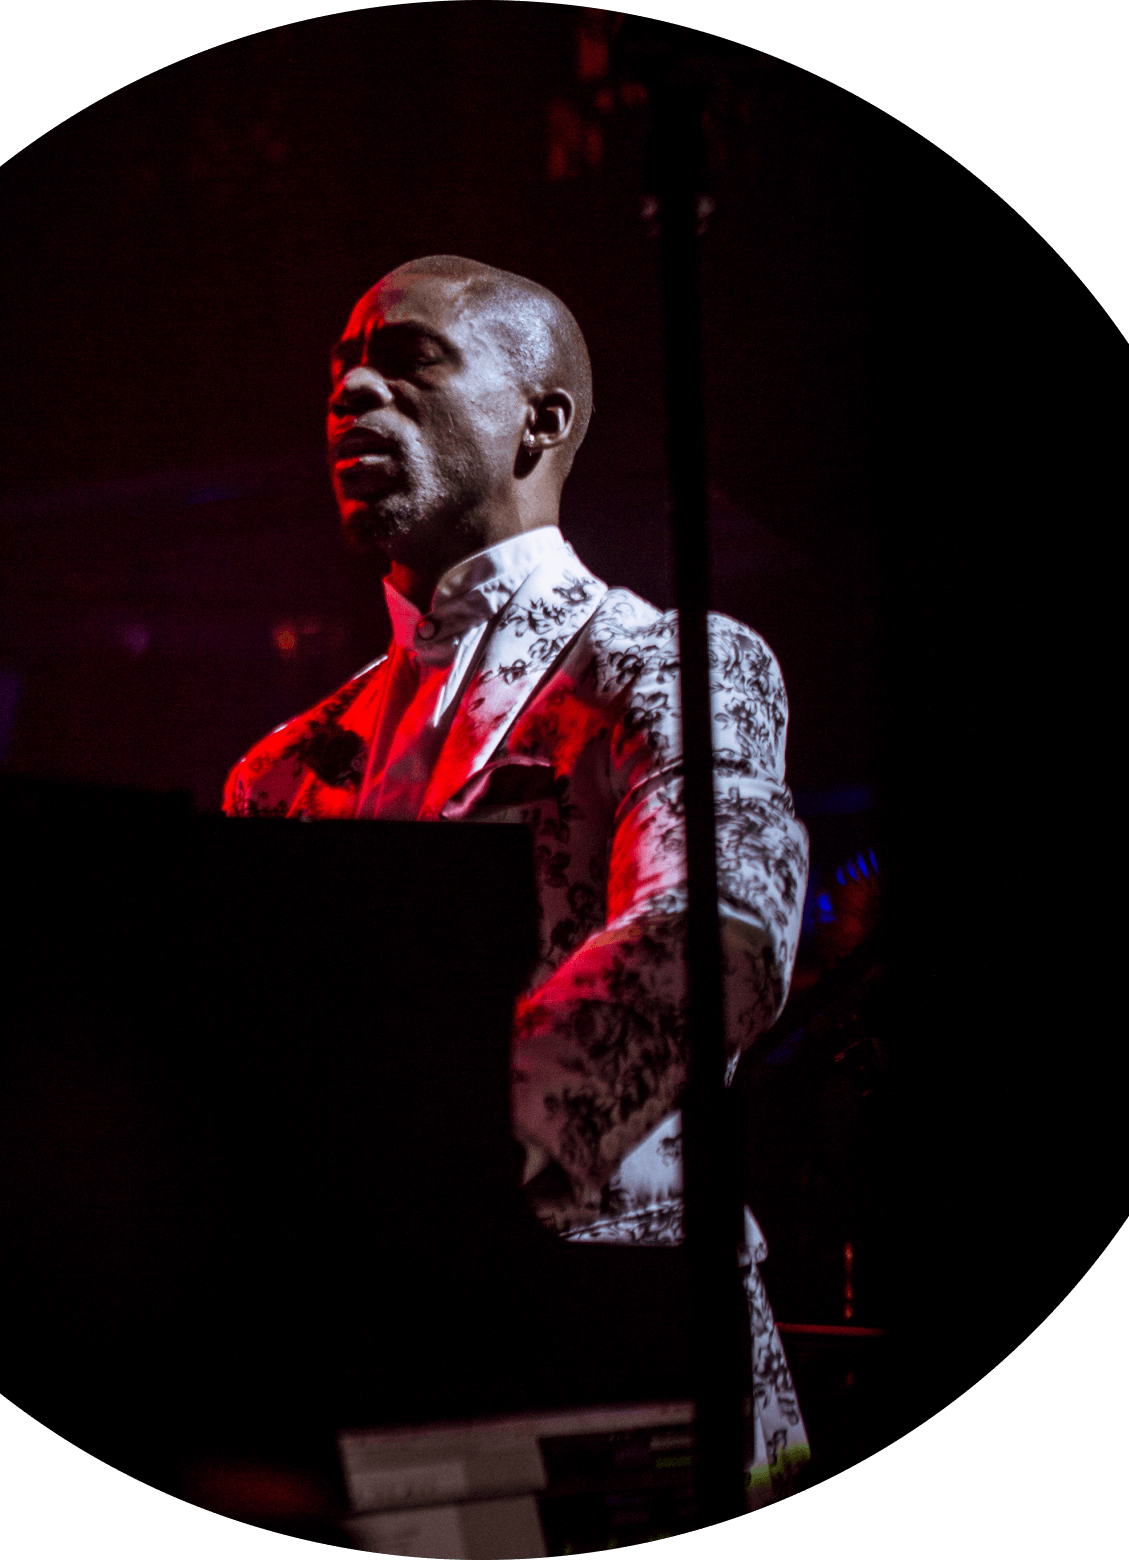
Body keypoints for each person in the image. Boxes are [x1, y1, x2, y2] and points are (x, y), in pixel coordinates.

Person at [224, 255, 811, 1506]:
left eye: (408, 361)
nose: (354, 396)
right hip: (373, 1370)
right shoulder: (277, 774)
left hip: (631, 1355)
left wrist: (420, 1162)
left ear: (543, 418)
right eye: (341, 376)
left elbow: (718, 943)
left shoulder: (668, 665)